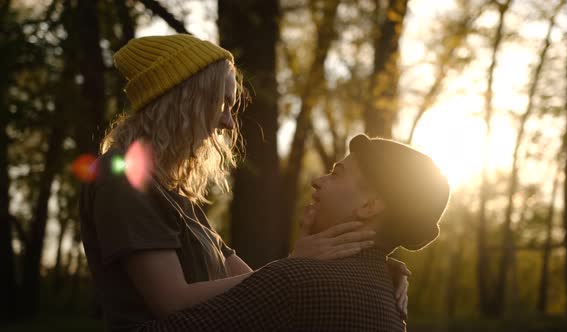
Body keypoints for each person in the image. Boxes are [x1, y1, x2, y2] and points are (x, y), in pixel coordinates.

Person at [78, 34, 409, 332]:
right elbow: (171, 301)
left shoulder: (176, 195)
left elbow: (251, 290)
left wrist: (370, 268)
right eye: (223, 103)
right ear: (184, 100)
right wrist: (295, 265)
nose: (227, 121)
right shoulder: (122, 178)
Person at [136, 134, 451, 332]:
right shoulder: (391, 298)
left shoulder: (296, 283)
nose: (318, 181)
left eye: (336, 174)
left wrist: (290, 266)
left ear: (370, 205)